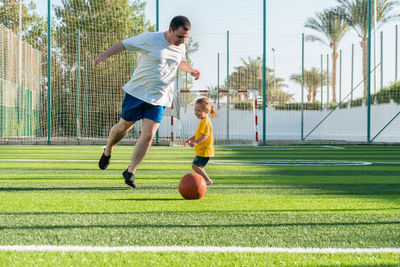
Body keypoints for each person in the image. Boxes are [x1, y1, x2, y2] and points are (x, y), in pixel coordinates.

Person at [94, 16, 200, 188]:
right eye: (180, 37)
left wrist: (191, 70)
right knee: (123, 128)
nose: (182, 41)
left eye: (186, 38)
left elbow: (180, 61)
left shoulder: (181, 47)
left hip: (159, 97)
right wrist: (104, 55)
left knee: (149, 134)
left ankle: (131, 171)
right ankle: (108, 150)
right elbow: (123, 44)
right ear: (170, 30)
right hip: (137, 92)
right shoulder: (150, 39)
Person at [184, 97, 217, 185]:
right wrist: (190, 140)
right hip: (202, 151)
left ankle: (207, 180)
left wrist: (195, 142)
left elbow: (205, 136)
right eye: (195, 110)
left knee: (195, 166)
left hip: (204, 151)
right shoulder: (202, 121)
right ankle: (204, 180)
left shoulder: (205, 122)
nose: (196, 113)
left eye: (198, 110)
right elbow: (198, 135)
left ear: (206, 111)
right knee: (200, 167)